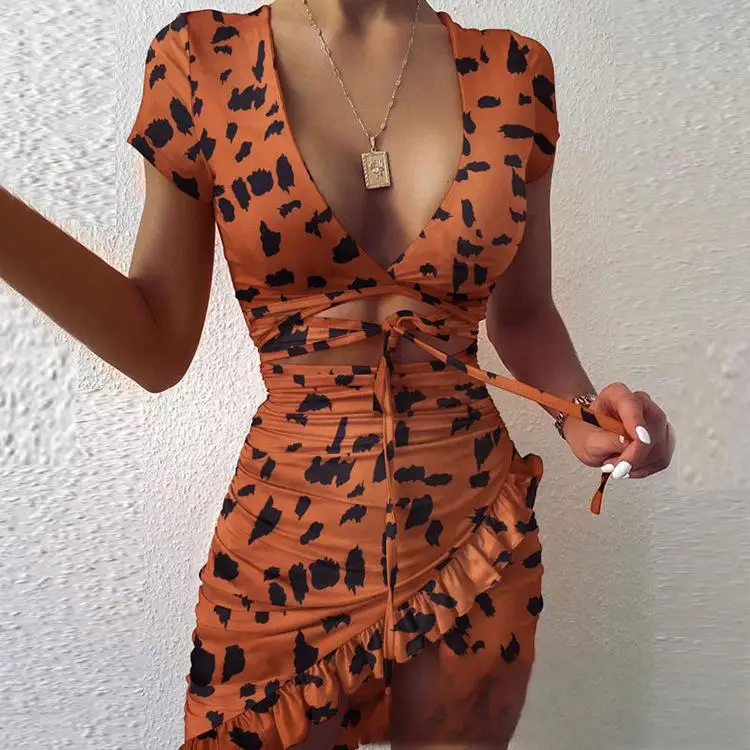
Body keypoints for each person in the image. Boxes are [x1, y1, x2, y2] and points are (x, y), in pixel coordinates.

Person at [0, 1, 675, 748]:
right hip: (287, 540)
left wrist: (583, 411)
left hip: (474, 529)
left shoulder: (515, 71)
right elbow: (156, 344)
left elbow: (524, 315)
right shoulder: (200, 60)